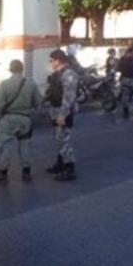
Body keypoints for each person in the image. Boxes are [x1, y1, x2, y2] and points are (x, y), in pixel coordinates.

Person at [0, 60, 42, 182]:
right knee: (25, 146)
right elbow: (38, 102)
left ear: (11, 69)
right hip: (25, 119)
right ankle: (26, 172)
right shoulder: (31, 84)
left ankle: (2, 172)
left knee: (6, 145)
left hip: (8, 119)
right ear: (22, 69)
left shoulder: (4, 84)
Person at [45, 49, 79, 181]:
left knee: (64, 140)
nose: (50, 63)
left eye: (52, 60)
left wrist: (62, 115)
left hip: (63, 112)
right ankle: (60, 164)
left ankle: (70, 168)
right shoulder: (58, 74)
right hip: (56, 111)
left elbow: (68, 97)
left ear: (58, 60)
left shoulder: (69, 74)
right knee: (58, 139)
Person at [118, 45, 133, 118]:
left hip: (124, 80)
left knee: (125, 96)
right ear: (132, 51)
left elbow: (118, 69)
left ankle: (125, 112)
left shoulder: (122, 59)